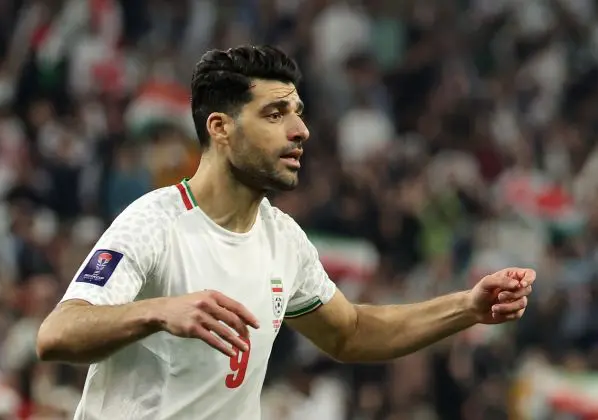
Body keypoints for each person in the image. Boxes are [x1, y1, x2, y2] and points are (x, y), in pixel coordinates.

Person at [36, 45, 535, 420]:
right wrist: (158, 310)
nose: (300, 130)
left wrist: (466, 308)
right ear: (220, 128)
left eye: (297, 112)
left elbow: (351, 332)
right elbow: (57, 333)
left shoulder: (283, 240)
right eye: (275, 114)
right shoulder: (155, 222)